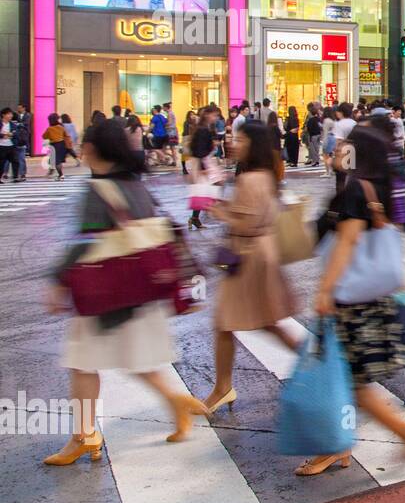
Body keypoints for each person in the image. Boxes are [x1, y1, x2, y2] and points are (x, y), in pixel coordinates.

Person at [43, 119, 208, 465]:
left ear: (91, 150)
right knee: (135, 360)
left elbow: (82, 244)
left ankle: (82, 436)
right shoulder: (136, 185)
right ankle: (177, 402)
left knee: (83, 364)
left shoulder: (97, 190)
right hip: (140, 290)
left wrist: (57, 281)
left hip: (103, 294)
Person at [307, 127, 405, 474]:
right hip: (375, 297)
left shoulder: (356, 189)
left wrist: (324, 290)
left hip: (351, 300)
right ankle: (353, 442)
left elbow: (347, 242)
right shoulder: (384, 185)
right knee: (350, 378)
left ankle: (382, 436)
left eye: (345, 146)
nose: (339, 150)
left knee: (346, 378)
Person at [203, 120, 300, 413]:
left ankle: (222, 388)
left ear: (253, 145)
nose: (234, 143)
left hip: (248, 257)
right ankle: (317, 361)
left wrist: (218, 210)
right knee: (267, 323)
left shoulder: (249, 179)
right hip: (262, 254)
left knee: (226, 324)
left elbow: (245, 222)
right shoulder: (268, 175)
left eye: (240, 139)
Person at [41, 112, 71, 180]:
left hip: (54, 145)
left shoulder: (50, 129)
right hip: (62, 144)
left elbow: (44, 136)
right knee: (56, 160)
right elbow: (66, 134)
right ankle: (51, 172)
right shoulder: (61, 127)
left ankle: (61, 175)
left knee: (56, 161)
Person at [0, 108, 20, 182]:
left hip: (11, 145)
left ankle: (15, 177)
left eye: (11, 114)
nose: (11, 116)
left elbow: (17, 134)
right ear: (3, 115)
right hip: (1, 146)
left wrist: (12, 134)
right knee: (1, 163)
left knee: (15, 161)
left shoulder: (13, 124)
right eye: (9, 114)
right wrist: (3, 135)